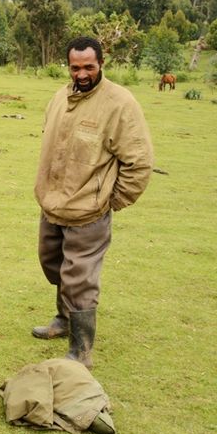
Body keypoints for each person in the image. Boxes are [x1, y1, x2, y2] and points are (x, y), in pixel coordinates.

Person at [32, 36, 153, 368]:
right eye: (75, 67)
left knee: (79, 278)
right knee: (52, 264)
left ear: (102, 63)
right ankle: (63, 319)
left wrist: (111, 200)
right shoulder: (60, 97)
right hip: (53, 205)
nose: (82, 74)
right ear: (67, 66)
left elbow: (139, 163)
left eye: (89, 67)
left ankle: (81, 351)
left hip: (89, 213)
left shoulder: (120, 104)